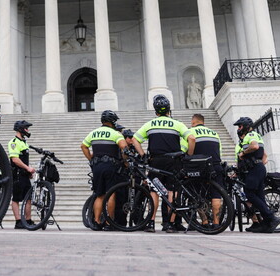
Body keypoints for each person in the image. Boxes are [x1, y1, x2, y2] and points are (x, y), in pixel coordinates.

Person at [132, 95, 193, 233]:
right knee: (172, 192)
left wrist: (142, 155)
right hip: (174, 161)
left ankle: (151, 222)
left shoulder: (150, 124)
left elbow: (135, 140)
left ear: (156, 111)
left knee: (154, 191)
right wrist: (188, 155)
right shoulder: (177, 124)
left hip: (156, 161)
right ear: (169, 110)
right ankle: (169, 224)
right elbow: (191, 138)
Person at [80, 110, 127, 230]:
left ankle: (96, 221)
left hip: (97, 166)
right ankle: (109, 222)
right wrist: (126, 160)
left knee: (99, 194)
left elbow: (83, 146)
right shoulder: (115, 133)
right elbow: (124, 147)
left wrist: (91, 158)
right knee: (111, 194)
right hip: (110, 166)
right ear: (112, 121)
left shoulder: (94, 133)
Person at [234, 117, 280, 233]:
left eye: (240, 126)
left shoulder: (251, 135)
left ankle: (271, 217)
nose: (238, 129)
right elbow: (264, 155)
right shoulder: (252, 137)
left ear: (245, 126)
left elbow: (254, 146)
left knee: (249, 193)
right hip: (257, 168)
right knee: (259, 197)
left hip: (255, 169)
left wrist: (243, 153)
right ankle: (266, 224)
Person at [187, 113, 223, 229]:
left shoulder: (190, 132)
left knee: (196, 195)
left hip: (199, 168)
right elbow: (219, 151)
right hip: (215, 166)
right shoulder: (214, 133)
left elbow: (185, 150)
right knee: (216, 195)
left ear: (193, 122)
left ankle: (205, 222)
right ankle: (217, 223)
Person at [9, 120, 35, 229]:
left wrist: (28, 172)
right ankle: (18, 221)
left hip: (24, 175)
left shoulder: (24, 142)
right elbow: (15, 159)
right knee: (16, 198)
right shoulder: (14, 142)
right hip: (17, 175)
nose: (28, 130)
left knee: (28, 198)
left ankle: (28, 220)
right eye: (26, 128)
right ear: (20, 129)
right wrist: (27, 168)